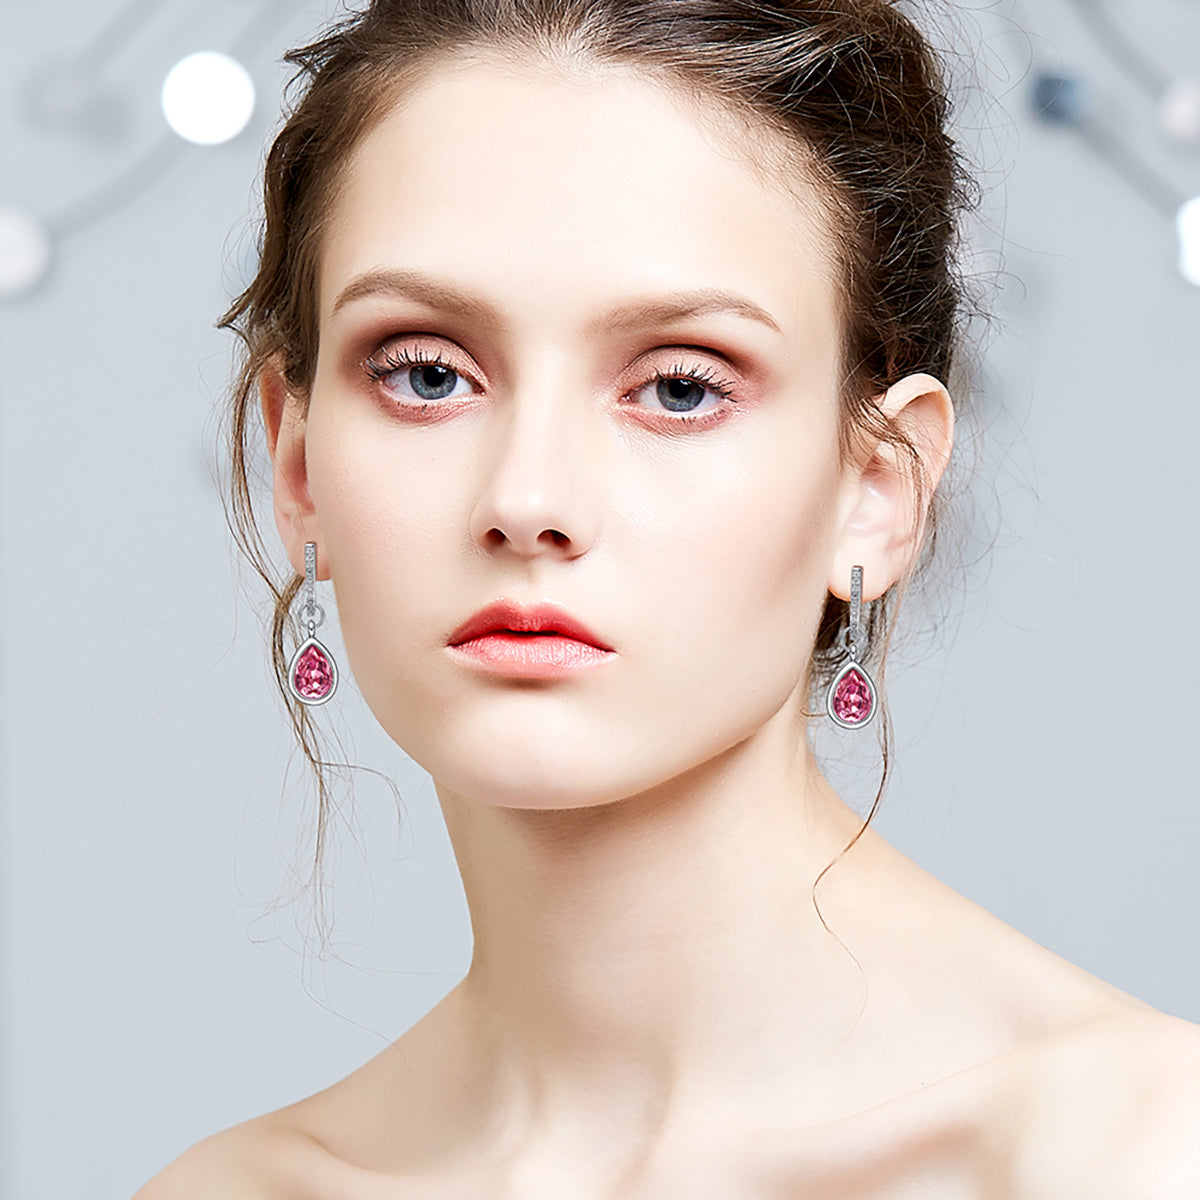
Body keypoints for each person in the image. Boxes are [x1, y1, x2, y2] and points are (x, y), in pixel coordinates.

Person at [136, 0, 1200, 1194]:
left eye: (681, 388)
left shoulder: (1137, 1153)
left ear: (875, 490)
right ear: (297, 466)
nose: (528, 499)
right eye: (428, 374)